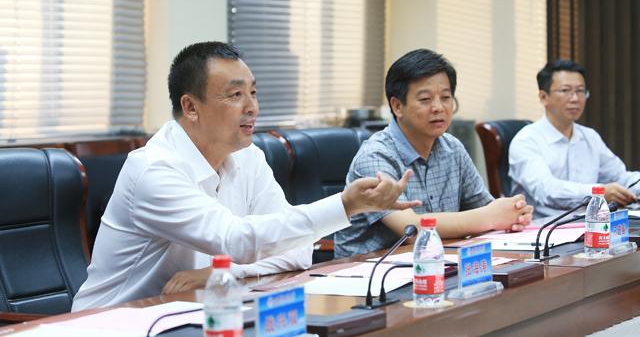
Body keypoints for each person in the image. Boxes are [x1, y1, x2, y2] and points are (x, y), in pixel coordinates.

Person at [72, 42, 417, 310]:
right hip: (111, 322)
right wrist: (346, 205)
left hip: (192, 313)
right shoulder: (153, 169)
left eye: (253, 92)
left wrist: (224, 273)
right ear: (190, 107)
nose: (252, 107)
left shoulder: (248, 156)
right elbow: (236, 240)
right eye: (236, 95)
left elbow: (298, 250)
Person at [334, 49, 533, 258]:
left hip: (438, 262)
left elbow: (486, 207)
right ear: (397, 106)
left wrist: (513, 213)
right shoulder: (375, 156)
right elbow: (411, 229)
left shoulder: (453, 148)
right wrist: (491, 217)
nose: (438, 107)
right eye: (425, 99)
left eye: (446, 97)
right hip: (368, 269)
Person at [509, 59, 640, 218]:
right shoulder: (526, 141)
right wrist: (599, 192)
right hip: (543, 227)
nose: (575, 99)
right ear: (543, 97)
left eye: (580, 91)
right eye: (566, 90)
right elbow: (546, 190)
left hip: (591, 224)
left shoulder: (590, 137)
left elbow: (621, 177)